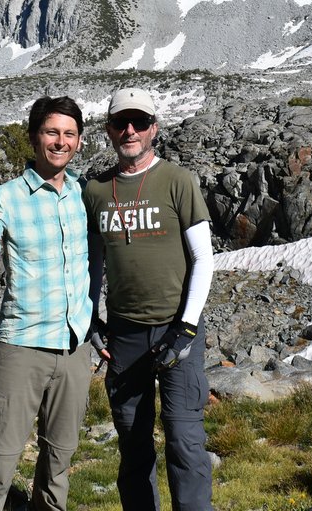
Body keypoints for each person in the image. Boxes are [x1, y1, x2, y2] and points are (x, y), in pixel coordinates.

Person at [0, 96, 94, 511]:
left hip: (74, 348)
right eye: (52, 132)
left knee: (58, 466)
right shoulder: (8, 196)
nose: (60, 141)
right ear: (35, 138)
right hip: (22, 347)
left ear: (79, 141)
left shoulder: (84, 194)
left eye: (69, 134)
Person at [83, 87, 214, 511]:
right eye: (121, 123)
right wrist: (92, 319)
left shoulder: (177, 180)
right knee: (132, 443)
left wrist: (187, 328)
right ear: (109, 130)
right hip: (123, 335)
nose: (130, 130)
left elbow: (203, 259)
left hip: (178, 331)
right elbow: (93, 263)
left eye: (139, 122)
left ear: (154, 128)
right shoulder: (96, 191)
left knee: (184, 439)